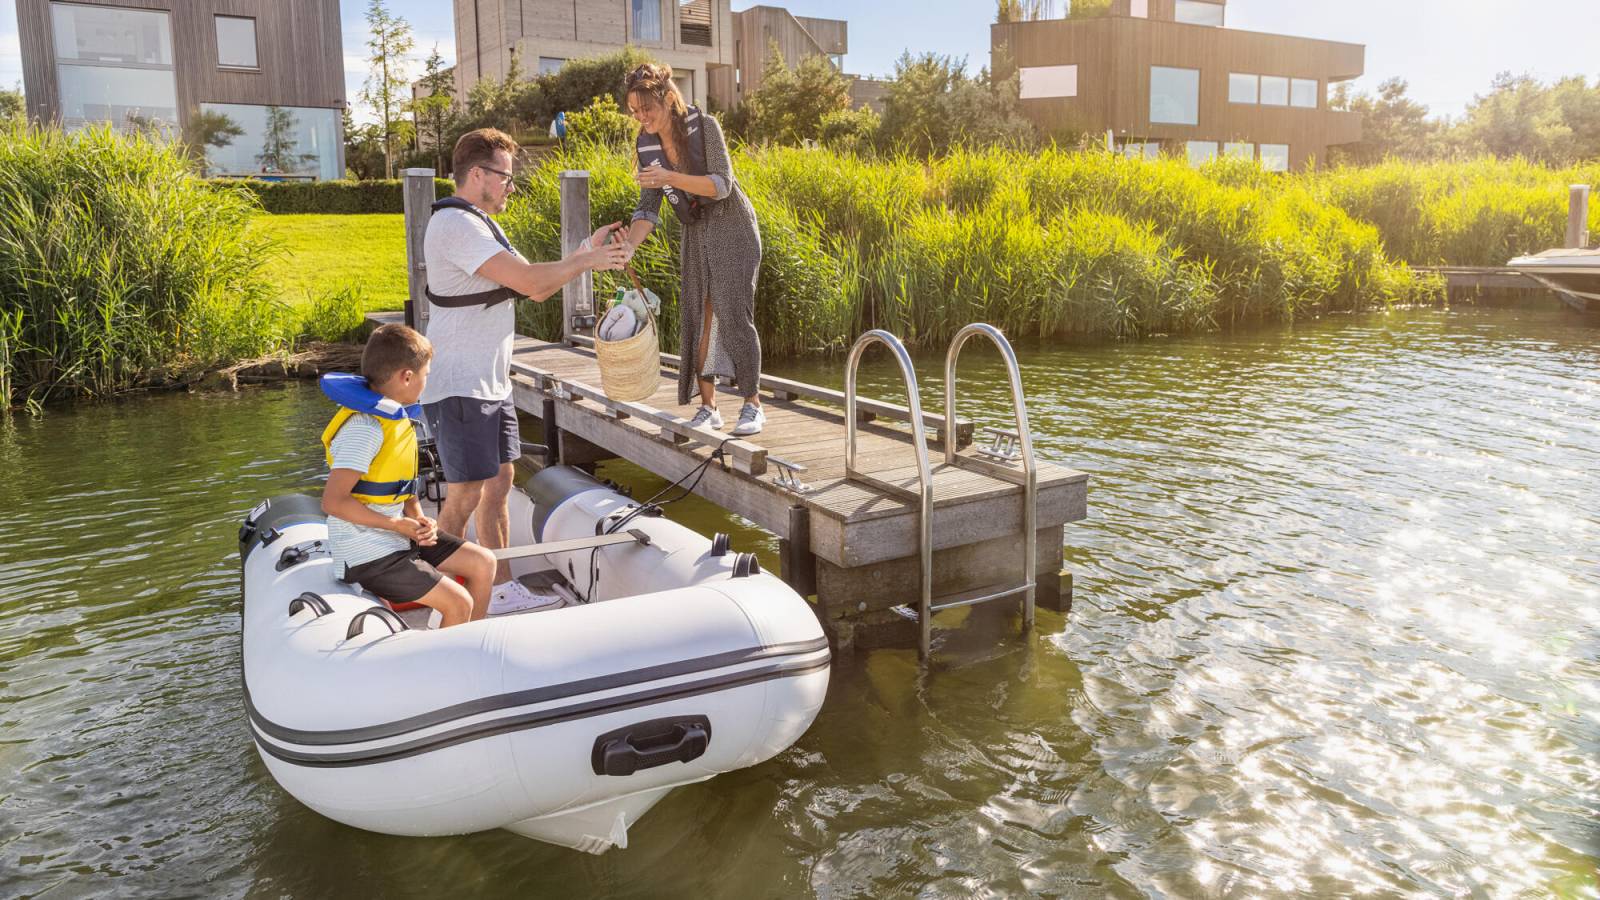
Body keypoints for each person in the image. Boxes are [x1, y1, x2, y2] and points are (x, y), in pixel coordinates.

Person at [421, 128, 628, 611]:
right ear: (478, 175)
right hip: (459, 381)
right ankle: (441, 592)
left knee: (500, 483)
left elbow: (535, 284)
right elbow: (532, 282)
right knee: (466, 492)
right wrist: (592, 260)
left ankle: (500, 589)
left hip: (489, 379)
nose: (511, 187)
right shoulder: (457, 225)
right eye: (506, 178)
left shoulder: (479, 222)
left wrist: (582, 253)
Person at [620, 63, 766, 436]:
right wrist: (630, 246)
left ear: (668, 98)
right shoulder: (646, 144)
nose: (641, 118)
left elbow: (721, 186)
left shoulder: (706, 127)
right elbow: (647, 208)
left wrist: (669, 176)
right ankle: (709, 408)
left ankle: (752, 404)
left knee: (732, 311)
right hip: (695, 231)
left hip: (732, 224)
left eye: (646, 109)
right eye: (634, 112)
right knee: (698, 315)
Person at [321, 324, 496, 628]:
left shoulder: (397, 416)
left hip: (398, 535)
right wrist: (396, 524)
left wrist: (418, 519)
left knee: (484, 563)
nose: (427, 382)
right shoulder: (365, 429)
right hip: (366, 551)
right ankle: (446, 672)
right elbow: (333, 502)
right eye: (426, 375)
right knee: (458, 602)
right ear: (406, 376)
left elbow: (401, 485)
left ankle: (468, 654)